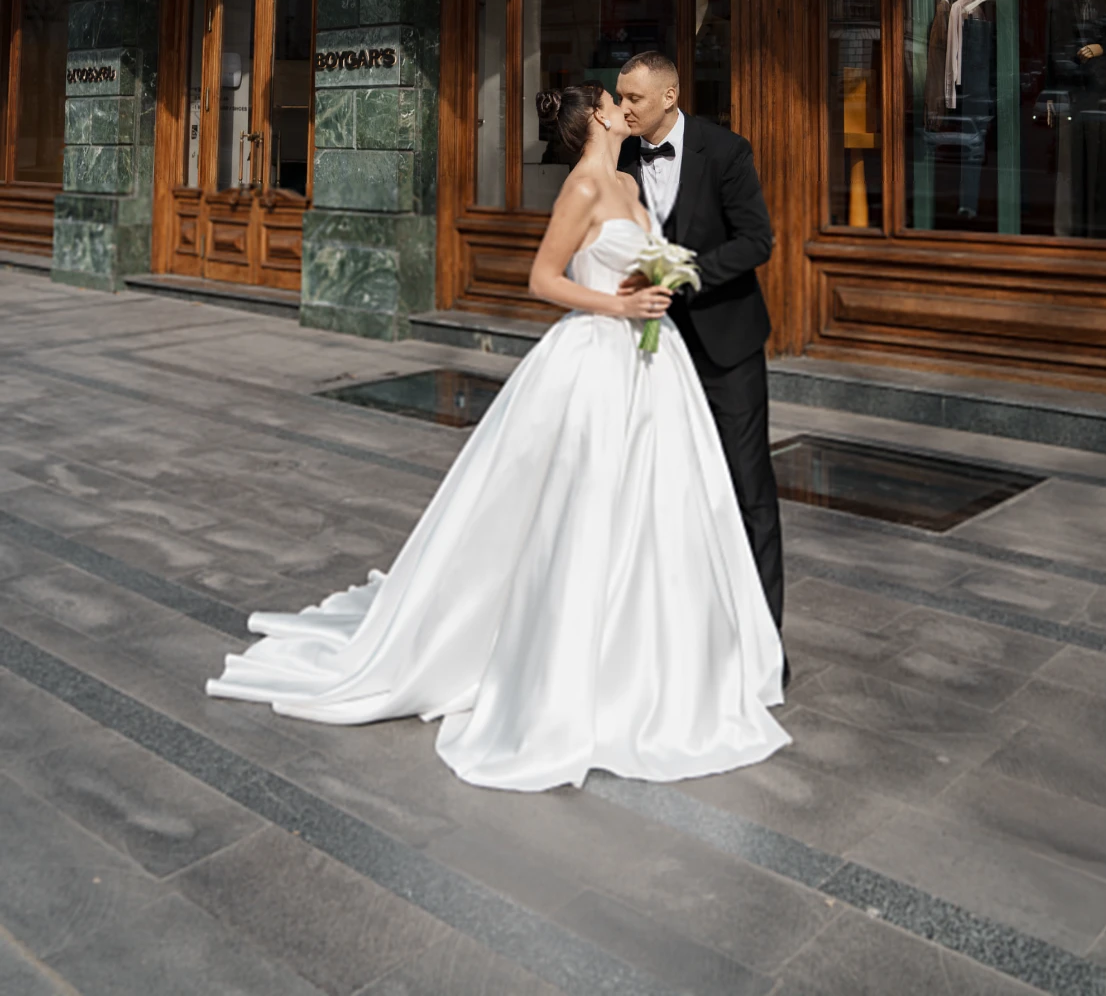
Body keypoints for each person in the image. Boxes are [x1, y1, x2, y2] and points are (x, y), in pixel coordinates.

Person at [206, 81, 788, 793]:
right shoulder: (580, 189)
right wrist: (619, 301)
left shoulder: (631, 182)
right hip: (598, 358)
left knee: (662, 507)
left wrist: (655, 287)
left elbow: (657, 253)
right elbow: (543, 278)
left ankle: (667, 653)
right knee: (587, 506)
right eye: (616, 99)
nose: (626, 107)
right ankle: (573, 661)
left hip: (654, 365)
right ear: (600, 118)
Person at [615, 53, 786, 642]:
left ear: (669, 96)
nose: (624, 108)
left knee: (747, 488)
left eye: (634, 97)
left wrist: (685, 273)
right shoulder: (615, 160)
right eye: (620, 97)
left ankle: (763, 642)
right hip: (651, 352)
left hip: (726, 348)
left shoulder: (727, 150)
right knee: (665, 489)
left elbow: (757, 241)